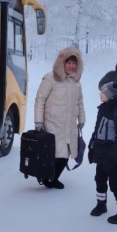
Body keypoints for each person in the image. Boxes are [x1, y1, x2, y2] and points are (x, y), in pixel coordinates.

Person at [34, 47, 86, 189]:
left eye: (74, 63)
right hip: (52, 123)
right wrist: (38, 120)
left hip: (69, 125)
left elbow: (80, 102)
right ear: (61, 63)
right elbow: (40, 99)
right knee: (53, 153)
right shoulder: (50, 78)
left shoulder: (76, 82)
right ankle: (46, 176)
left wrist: (82, 119)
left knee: (65, 154)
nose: (71, 66)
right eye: (68, 62)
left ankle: (54, 177)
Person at [88, 82, 117, 224]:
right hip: (101, 150)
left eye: (103, 92)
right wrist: (91, 147)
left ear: (110, 95)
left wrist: (112, 159)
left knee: (115, 183)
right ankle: (101, 204)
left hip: (114, 153)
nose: (100, 94)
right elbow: (97, 129)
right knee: (99, 179)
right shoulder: (103, 108)